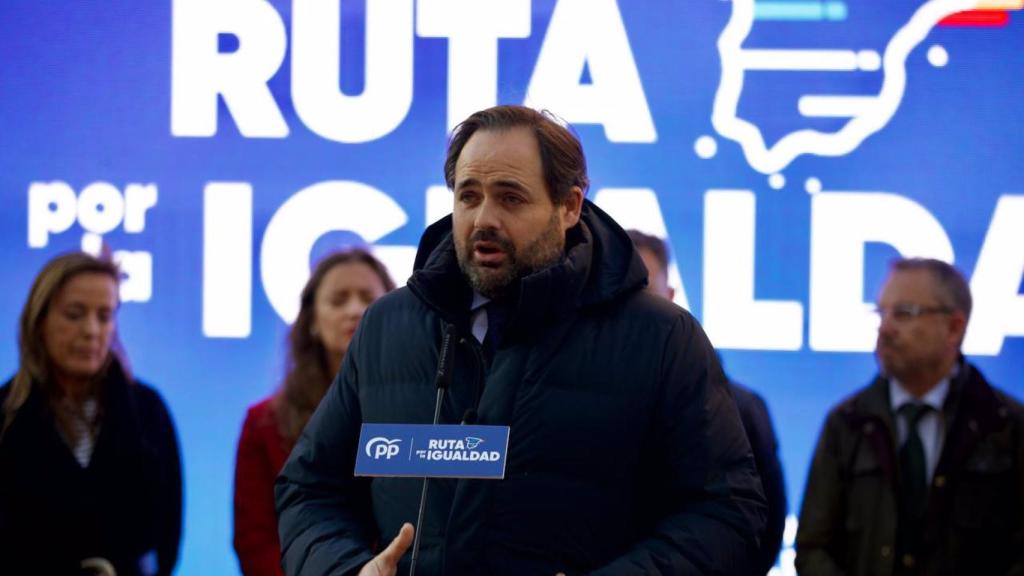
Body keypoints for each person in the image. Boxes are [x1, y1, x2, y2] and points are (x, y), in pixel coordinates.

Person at [275, 105, 766, 575]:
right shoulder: (389, 325)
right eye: (468, 195)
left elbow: (726, 515)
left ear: (569, 206)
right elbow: (309, 489)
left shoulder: (661, 339)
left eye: (510, 197)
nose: (483, 218)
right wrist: (346, 569)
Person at [796, 258, 1024, 575]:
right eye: (881, 312)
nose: (885, 327)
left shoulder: (1006, 425)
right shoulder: (847, 422)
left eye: (904, 313)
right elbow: (812, 548)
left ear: (954, 327)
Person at [0, 251, 182, 576]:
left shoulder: (147, 411)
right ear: (39, 321)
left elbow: (167, 535)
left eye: (105, 315)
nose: (91, 330)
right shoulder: (5, 413)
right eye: (74, 314)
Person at [627, 228, 787, 575]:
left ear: (670, 296)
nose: (629, 309)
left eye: (642, 293)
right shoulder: (569, 393)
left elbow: (762, 526)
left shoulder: (740, 407)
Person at [234, 249, 395, 576]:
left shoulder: (425, 412)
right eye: (338, 300)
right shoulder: (264, 422)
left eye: (368, 298)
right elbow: (255, 542)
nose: (355, 310)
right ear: (312, 323)